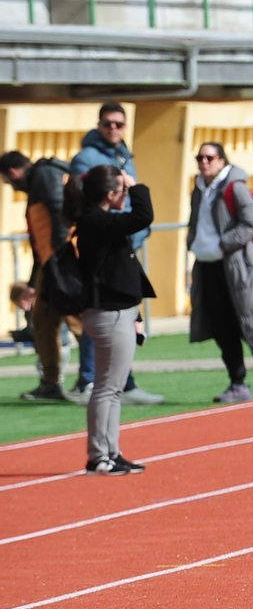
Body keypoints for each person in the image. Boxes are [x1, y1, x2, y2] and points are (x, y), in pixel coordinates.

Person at [69, 101, 163, 407]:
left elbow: (128, 207)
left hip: (124, 240)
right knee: (103, 316)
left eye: (119, 124)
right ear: (98, 125)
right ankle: (89, 379)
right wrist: (127, 221)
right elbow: (90, 200)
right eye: (108, 123)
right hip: (105, 243)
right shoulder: (86, 158)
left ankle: (125, 382)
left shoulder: (124, 154)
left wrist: (134, 232)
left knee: (121, 321)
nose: (113, 129)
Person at [67, 165, 157, 476]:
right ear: (110, 194)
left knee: (113, 388)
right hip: (109, 314)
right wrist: (136, 185)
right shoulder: (96, 220)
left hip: (119, 311)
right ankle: (98, 456)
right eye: (122, 191)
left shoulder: (101, 220)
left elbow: (121, 272)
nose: (126, 195)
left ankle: (111, 451)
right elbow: (143, 217)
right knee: (107, 387)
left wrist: (136, 314)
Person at [186, 142, 253, 403]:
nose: (203, 162)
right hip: (207, 267)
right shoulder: (198, 189)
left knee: (252, 320)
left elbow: (252, 223)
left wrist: (224, 244)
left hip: (238, 266)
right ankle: (237, 383)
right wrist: (192, 242)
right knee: (221, 326)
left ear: (221, 160)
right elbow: (196, 222)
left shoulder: (235, 187)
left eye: (209, 157)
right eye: (199, 158)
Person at [1, 150, 84, 402]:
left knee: (79, 322)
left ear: (13, 172)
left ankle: (98, 379)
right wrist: (33, 281)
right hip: (51, 265)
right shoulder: (41, 178)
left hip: (62, 264)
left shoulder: (45, 177)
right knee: (42, 321)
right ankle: (51, 382)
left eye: (7, 180)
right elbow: (41, 237)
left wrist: (59, 263)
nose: (10, 185)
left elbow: (60, 221)